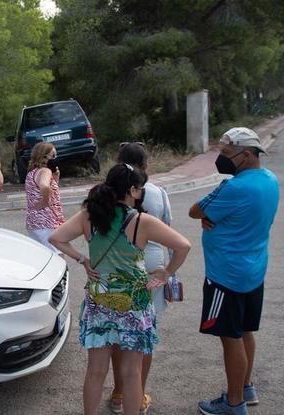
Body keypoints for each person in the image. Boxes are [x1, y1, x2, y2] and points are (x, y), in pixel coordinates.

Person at [49, 164, 191, 415]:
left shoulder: (89, 215)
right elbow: (183, 246)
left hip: (99, 299)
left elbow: (57, 238)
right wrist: (166, 272)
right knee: (132, 372)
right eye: (139, 189)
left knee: (95, 370)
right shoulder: (141, 221)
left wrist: (83, 259)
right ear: (133, 191)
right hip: (133, 302)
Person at [187, 127, 279, 415]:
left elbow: (194, 210)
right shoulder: (270, 180)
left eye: (226, 154)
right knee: (246, 331)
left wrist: (207, 218)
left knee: (231, 338)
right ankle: (247, 387)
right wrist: (212, 219)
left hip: (226, 275)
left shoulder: (234, 187)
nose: (221, 159)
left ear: (247, 154)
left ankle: (234, 402)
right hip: (253, 270)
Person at [108, 142, 174, 414]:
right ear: (145, 167)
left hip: (116, 264)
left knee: (116, 332)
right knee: (144, 331)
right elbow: (169, 231)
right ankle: (139, 393)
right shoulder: (157, 193)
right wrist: (171, 274)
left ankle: (119, 392)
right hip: (151, 263)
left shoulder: (105, 193)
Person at [25, 142, 64, 253]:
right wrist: (45, 201)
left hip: (35, 222)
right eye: (53, 155)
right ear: (44, 157)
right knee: (57, 256)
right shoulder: (45, 171)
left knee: (44, 256)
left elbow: (43, 189)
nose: (55, 158)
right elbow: (44, 185)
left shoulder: (32, 173)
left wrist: (55, 180)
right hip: (47, 221)